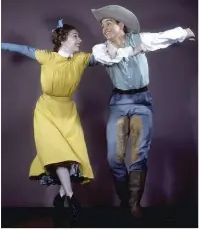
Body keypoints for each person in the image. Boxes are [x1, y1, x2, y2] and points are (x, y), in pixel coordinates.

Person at [1, 18, 144, 220]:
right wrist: (1, 45)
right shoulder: (46, 57)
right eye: (75, 36)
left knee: (69, 158)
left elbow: (108, 58)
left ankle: (60, 199)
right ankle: (71, 197)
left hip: (68, 112)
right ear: (63, 39)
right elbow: (22, 48)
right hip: (46, 111)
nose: (80, 39)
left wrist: (131, 49)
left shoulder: (81, 59)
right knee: (58, 154)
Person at [91, 5, 195, 218]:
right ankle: (125, 198)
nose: (105, 28)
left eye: (109, 23)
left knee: (140, 155)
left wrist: (185, 33)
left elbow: (162, 37)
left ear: (121, 25)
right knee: (114, 159)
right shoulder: (99, 49)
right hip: (118, 103)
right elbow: (113, 58)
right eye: (102, 25)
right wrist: (132, 51)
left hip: (141, 101)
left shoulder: (139, 39)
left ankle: (134, 203)